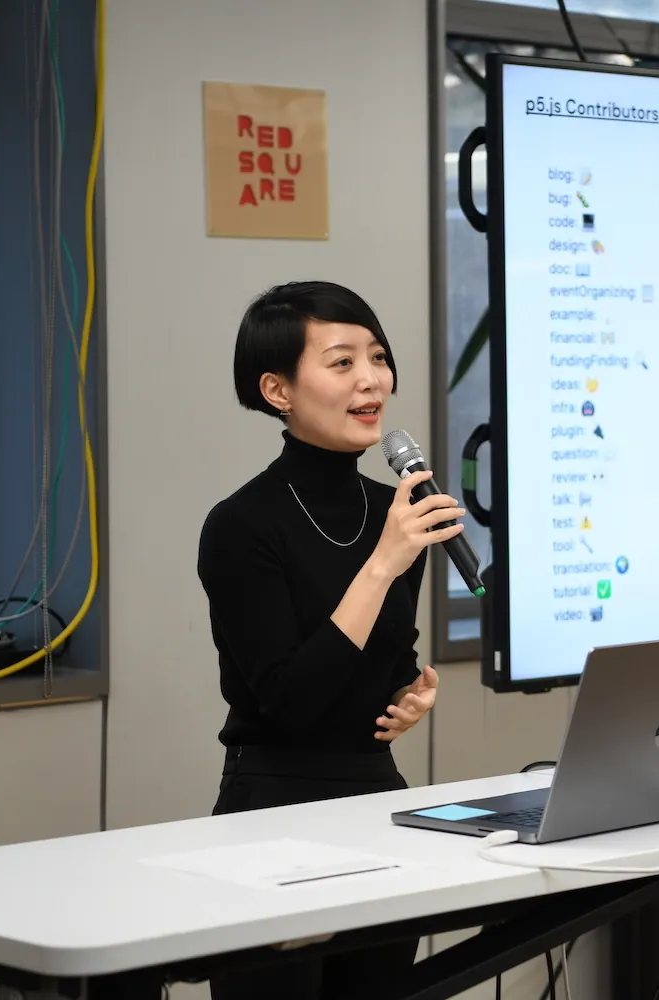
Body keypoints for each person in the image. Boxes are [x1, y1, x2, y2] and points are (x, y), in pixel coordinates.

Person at [198, 281, 463, 1000]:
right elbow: (289, 700)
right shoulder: (241, 526)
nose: (372, 379)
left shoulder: (394, 510)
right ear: (277, 389)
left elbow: (378, 667)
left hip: (375, 797)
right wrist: (384, 562)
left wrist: (406, 696)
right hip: (274, 808)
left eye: (377, 357)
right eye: (342, 362)